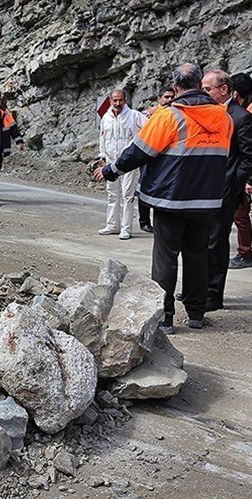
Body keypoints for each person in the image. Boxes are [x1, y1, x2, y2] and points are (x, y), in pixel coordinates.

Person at [94, 63, 233, 334]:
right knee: (198, 256)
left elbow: (139, 152)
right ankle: (196, 314)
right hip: (205, 200)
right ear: (198, 83)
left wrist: (111, 170)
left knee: (165, 258)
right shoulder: (223, 118)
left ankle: (165, 316)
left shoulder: (168, 116)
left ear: (177, 87)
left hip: (171, 199)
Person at [200, 70, 252, 311]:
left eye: (208, 89)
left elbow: (248, 158)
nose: (203, 93)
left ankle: (213, 295)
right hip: (201, 188)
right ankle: (197, 289)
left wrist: (232, 184)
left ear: (224, 90)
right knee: (199, 240)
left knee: (217, 243)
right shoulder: (206, 114)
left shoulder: (241, 117)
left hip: (224, 191)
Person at [96, 89, 148, 239]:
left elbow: (149, 129)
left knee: (127, 195)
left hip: (128, 162)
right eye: (115, 100)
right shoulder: (106, 118)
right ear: (110, 101)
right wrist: (102, 155)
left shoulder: (134, 116)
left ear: (125, 100)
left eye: (120, 100)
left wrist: (139, 152)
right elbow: (103, 138)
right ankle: (112, 225)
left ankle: (126, 228)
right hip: (111, 160)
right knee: (112, 194)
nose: (117, 103)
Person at [138, 87, 176, 232]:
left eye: (172, 96)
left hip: (166, 158)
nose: (169, 100)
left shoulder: (176, 114)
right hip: (149, 155)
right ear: (159, 99)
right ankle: (144, 221)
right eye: (166, 97)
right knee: (144, 187)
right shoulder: (149, 115)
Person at [229, 74, 252, 270]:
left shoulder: (245, 114)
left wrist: (247, 179)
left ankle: (245, 252)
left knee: (241, 214)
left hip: (246, 174)